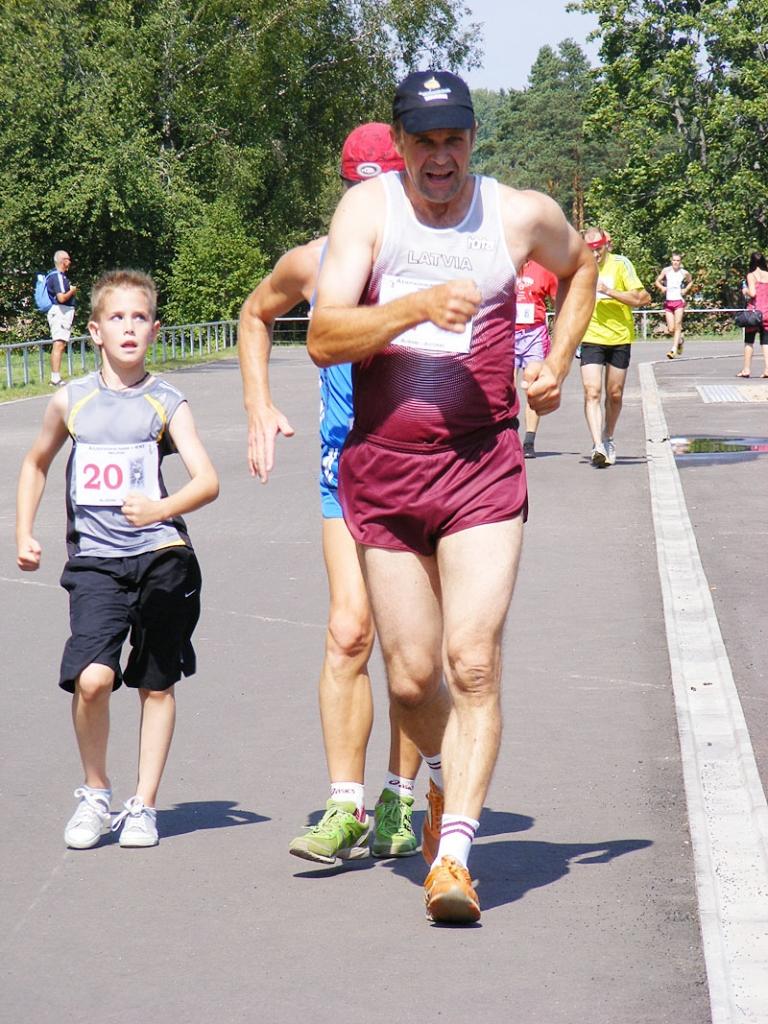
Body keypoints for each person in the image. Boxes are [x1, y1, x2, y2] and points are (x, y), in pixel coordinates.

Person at [307, 70, 596, 923]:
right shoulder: (369, 215)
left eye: (455, 138)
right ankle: (442, 783)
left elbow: (579, 268)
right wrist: (414, 306)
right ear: (400, 145)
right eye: (424, 140)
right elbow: (324, 336)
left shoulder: (517, 214)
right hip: (386, 472)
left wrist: (556, 364)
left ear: (474, 137)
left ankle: (457, 860)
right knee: (410, 679)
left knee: (471, 660)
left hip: (481, 467)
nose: (441, 156)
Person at [238, 123, 425, 865]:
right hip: (343, 469)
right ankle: (344, 805)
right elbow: (257, 312)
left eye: (389, 183)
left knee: (412, 650)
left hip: (421, 468)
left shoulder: (433, 257)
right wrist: (259, 402)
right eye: (364, 186)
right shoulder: (315, 262)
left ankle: (403, 800)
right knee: (349, 630)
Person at [16, 269, 219, 850]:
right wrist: (24, 532)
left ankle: (143, 806)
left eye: (139, 318)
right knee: (93, 680)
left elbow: (206, 481)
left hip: (161, 557)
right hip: (98, 561)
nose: (129, 327)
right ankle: (96, 793)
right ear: (95, 330)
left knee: (156, 684)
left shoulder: (166, 401)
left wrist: (160, 508)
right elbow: (36, 463)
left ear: (154, 330)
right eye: (117, 318)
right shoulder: (72, 399)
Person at [579, 227, 651, 467]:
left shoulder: (622, 264)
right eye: (590, 251)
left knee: (615, 394)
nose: (594, 255)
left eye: (598, 249)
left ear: (607, 245)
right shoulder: (580, 266)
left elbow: (643, 298)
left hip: (619, 336)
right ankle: (597, 446)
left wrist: (609, 291)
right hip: (591, 335)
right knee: (592, 391)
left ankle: (608, 436)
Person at [515, 260, 559, 458]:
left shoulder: (544, 268)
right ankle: (507, 436)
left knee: (531, 387)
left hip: (534, 333)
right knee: (503, 388)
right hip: (508, 332)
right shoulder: (507, 263)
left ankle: (529, 441)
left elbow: (558, 303)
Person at [45, 250, 78, 387]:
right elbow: (61, 298)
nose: (70, 262)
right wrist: (72, 290)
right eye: (68, 259)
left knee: (61, 343)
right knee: (58, 344)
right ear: (63, 260)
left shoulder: (60, 276)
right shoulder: (57, 276)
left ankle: (56, 376)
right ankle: (55, 378)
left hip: (63, 312)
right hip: (60, 312)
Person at [654, 252, 692, 359]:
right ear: (671, 261)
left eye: (678, 260)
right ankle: (680, 341)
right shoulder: (666, 271)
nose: (676, 262)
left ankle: (673, 350)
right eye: (674, 260)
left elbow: (690, 281)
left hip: (679, 301)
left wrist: (685, 289)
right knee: (671, 329)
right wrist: (661, 287)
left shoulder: (684, 273)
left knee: (678, 324)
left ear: (680, 262)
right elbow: (657, 281)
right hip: (668, 302)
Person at [737, 252, 768, 378]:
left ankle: (746, 369)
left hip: (754, 312)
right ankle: (767, 369)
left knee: (749, 340)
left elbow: (753, 293)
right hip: (767, 311)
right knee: (766, 341)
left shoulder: (751, 275)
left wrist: (745, 290)